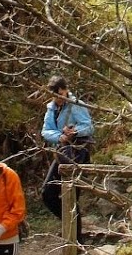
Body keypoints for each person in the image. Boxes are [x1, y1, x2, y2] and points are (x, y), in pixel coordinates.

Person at [39, 75, 93, 217]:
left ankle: (76, 235)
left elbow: (88, 127)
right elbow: (45, 131)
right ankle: (69, 224)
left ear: (66, 90)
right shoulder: (51, 109)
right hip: (62, 152)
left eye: (61, 95)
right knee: (47, 193)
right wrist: (59, 136)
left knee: (72, 195)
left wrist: (74, 131)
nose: (59, 99)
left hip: (78, 152)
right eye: (55, 96)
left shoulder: (76, 104)